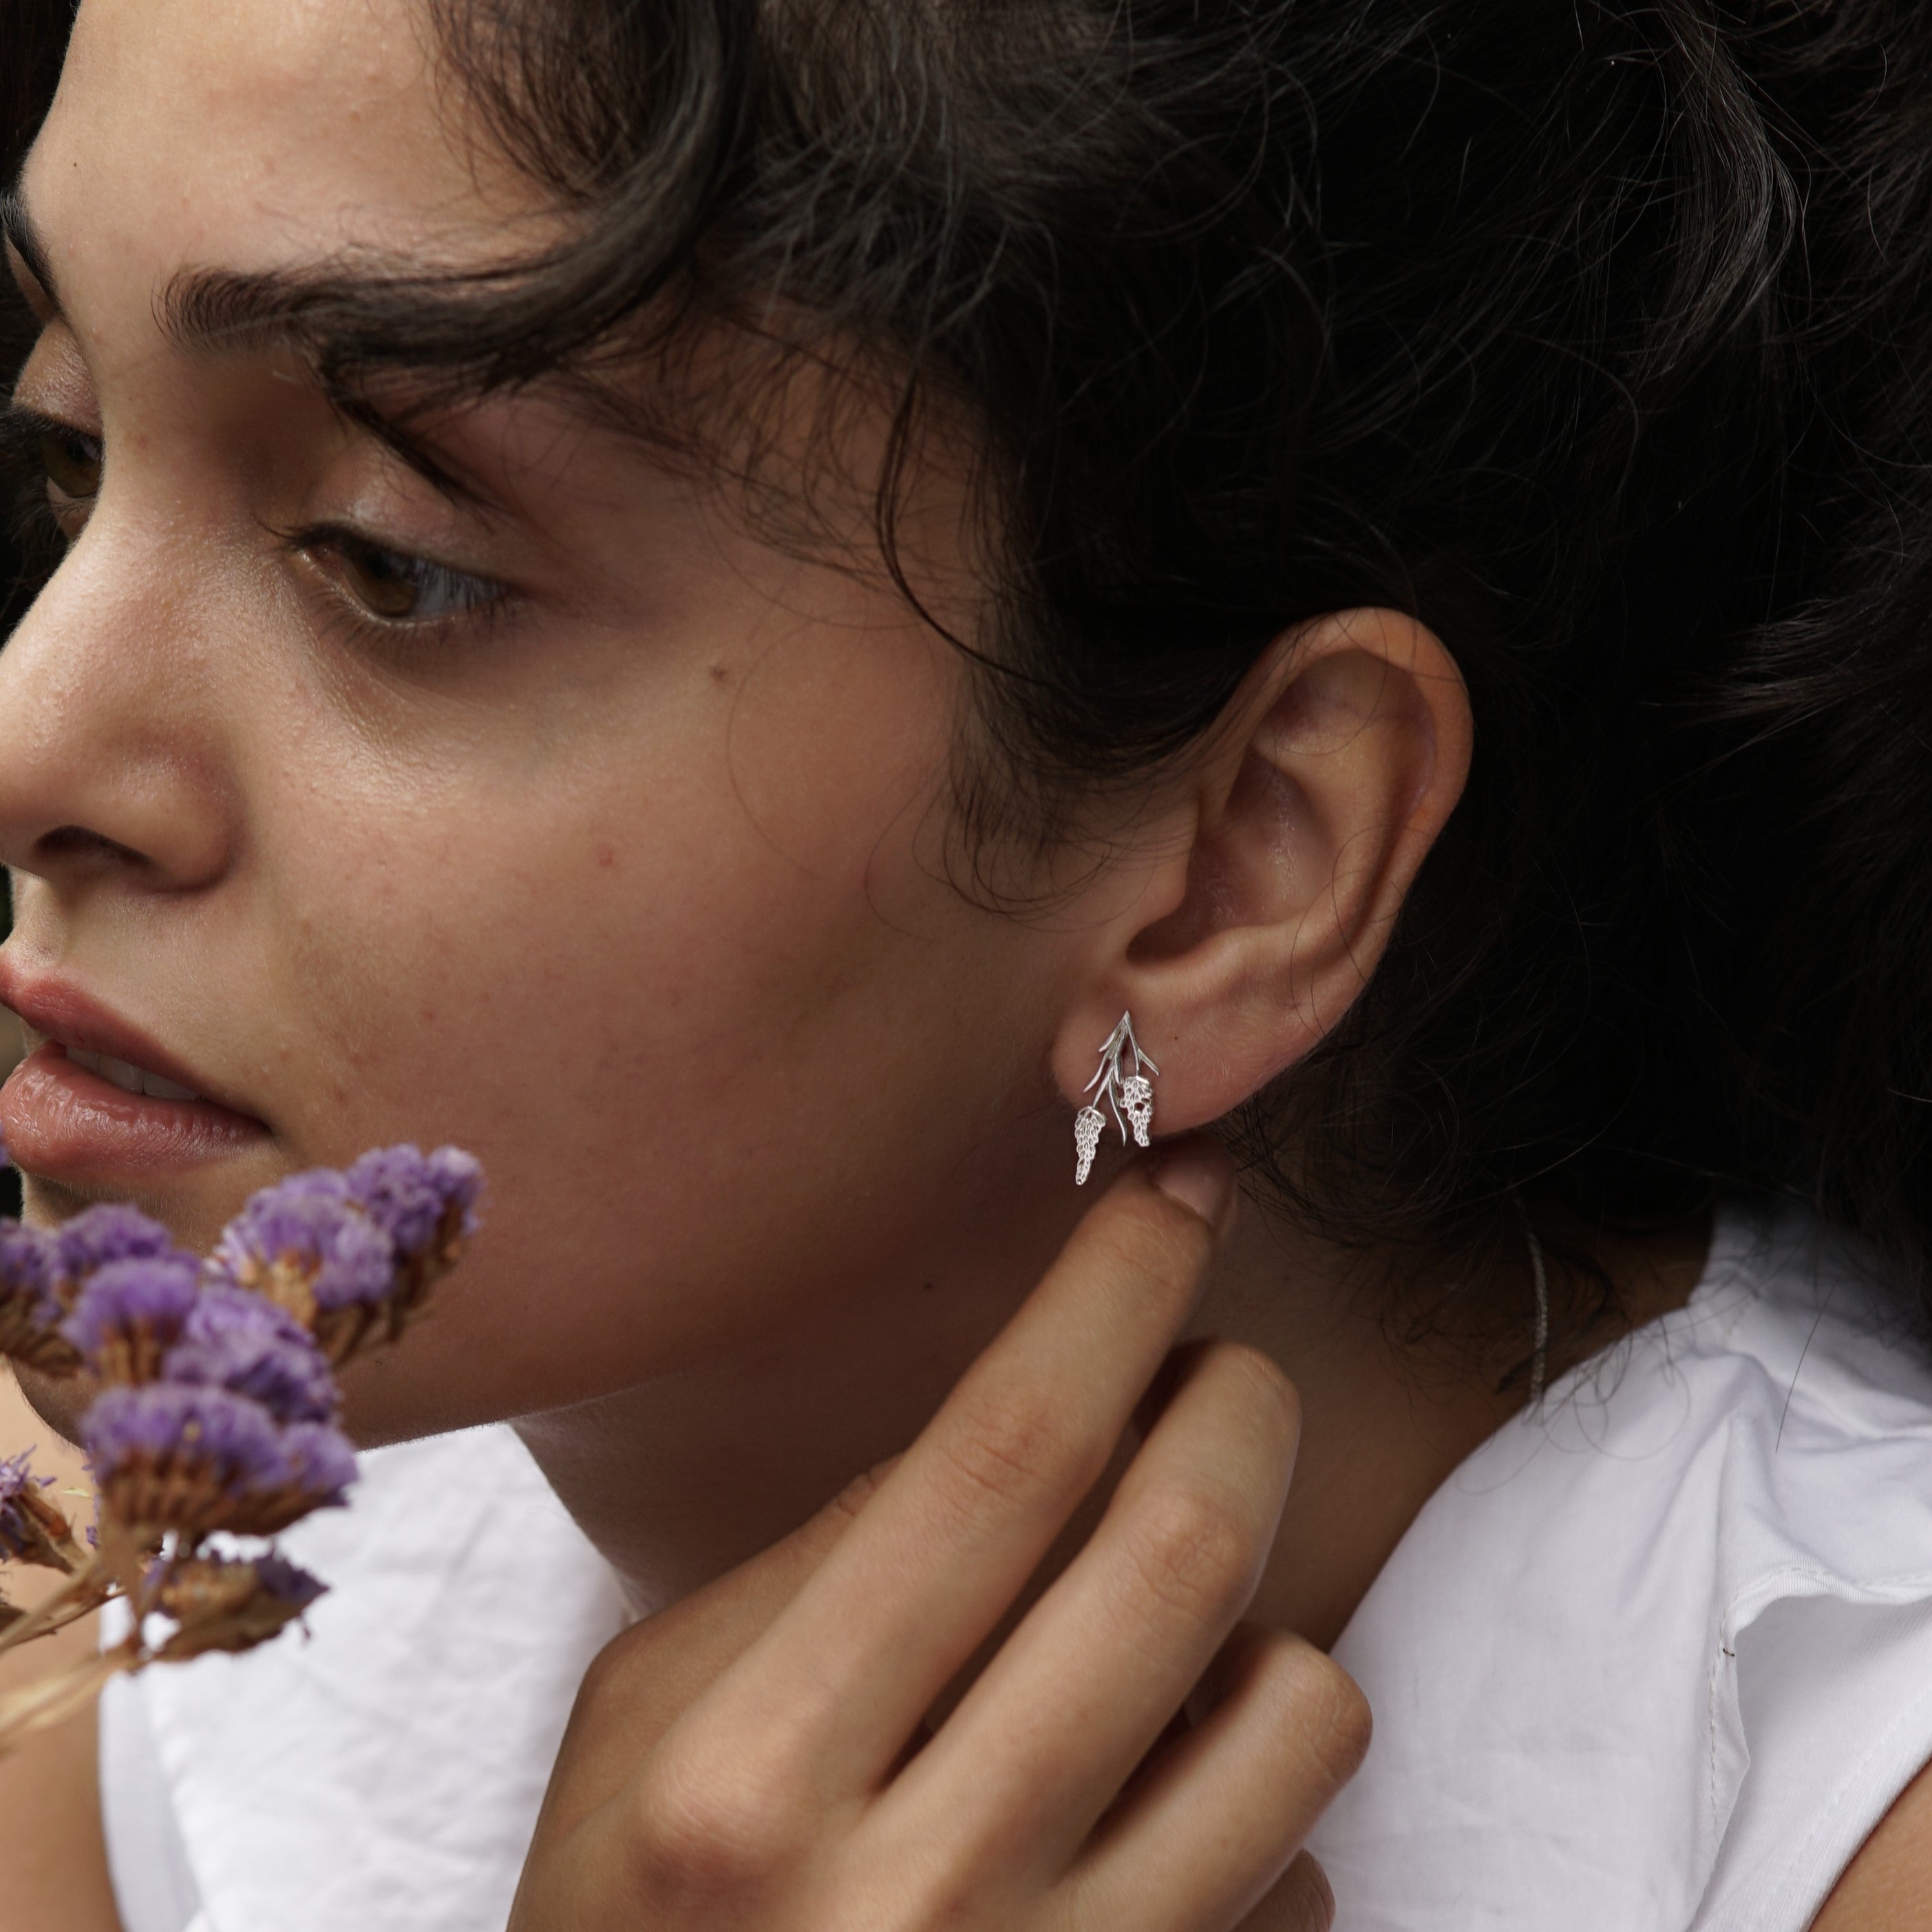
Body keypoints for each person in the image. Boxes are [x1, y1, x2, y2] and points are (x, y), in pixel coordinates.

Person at [4, 0, 1932, 1925]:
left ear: (1239, 865)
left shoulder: (1826, 1806)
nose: (29, 739)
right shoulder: (125, 1619)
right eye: (70, 449)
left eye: (390, 560)